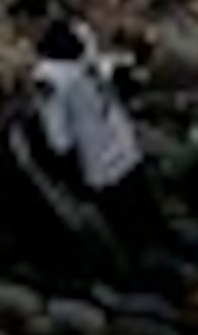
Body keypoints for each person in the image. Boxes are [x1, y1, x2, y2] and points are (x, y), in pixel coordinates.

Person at [28, 16, 166, 262]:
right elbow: (112, 69)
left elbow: (60, 141)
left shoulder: (49, 77)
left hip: (103, 170)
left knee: (140, 245)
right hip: (128, 151)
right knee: (158, 226)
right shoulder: (87, 52)